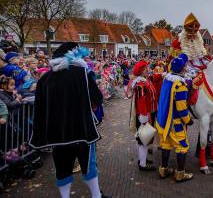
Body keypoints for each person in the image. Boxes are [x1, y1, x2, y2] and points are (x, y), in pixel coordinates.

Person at [29, 42, 110, 198]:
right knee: (88, 165)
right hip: (81, 131)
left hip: (57, 134)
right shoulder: (81, 73)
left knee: (62, 167)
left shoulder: (45, 79)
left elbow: (39, 109)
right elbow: (97, 98)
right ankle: (96, 195)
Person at [155, 53, 194, 182]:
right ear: (182, 69)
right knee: (182, 146)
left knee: (166, 145)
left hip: (162, 120)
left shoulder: (167, 79)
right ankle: (180, 174)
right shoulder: (180, 85)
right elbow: (182, 108)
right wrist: (188, 120)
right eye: (185, 67)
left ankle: (163, 170)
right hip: (175, 123)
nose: (187, 68)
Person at [126, 60, 157, 172]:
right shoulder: (140, 84)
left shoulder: (145, 81)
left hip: (147, 113)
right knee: (143, 139)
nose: (148, 70)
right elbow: (141, 101)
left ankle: (142, 159)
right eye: (146, 68)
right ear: (142, 71)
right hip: (144, 115)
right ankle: (142, 164)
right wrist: (144, 116)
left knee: (144, 138)